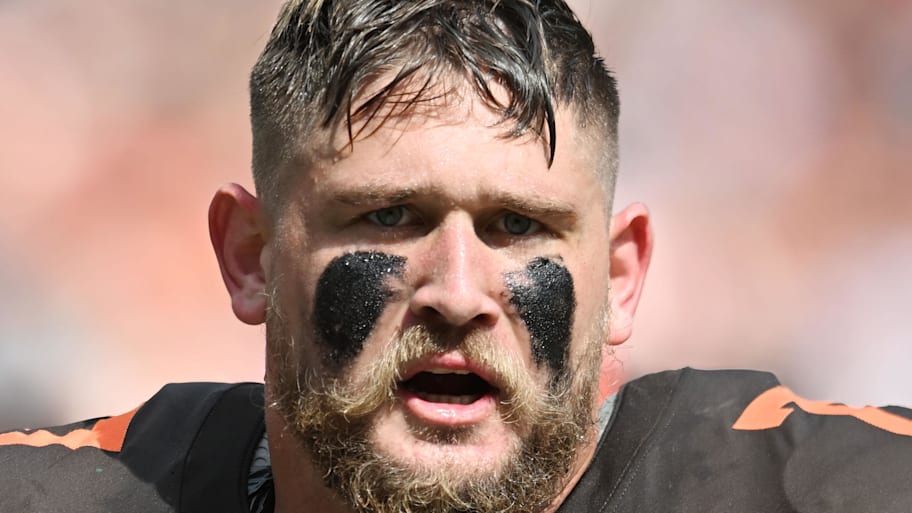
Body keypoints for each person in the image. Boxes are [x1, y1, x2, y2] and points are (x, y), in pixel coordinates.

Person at [1, 0, 910, 512]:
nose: (459, 291)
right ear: (250, 257)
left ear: (622, 277)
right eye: (389, 216)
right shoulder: (60, 495)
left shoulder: (832, 489)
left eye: (519, 225)